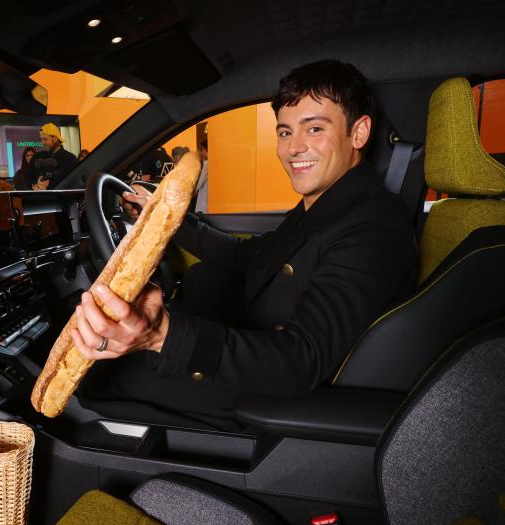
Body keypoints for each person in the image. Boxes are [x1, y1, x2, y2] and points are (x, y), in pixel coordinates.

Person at [70, 59, 417, 430]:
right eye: (285, 132)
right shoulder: (325, 206)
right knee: (204, 280)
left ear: (358, 132)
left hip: (271, 392)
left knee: (103, 374)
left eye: (314, 129)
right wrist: (167, 220)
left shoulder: (373, 228)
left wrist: (161, 336)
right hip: (252, 351)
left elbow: (301, 360)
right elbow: (247, 256)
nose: (294, 148)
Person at [25, 123, 79, 190]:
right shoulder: (37, 156)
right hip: (40, 196)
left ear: (55, 139)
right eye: (41, 139)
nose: (42, 143)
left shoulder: (70, 159)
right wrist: (35, 185)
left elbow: (75, 183)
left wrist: (49, 186)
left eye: (45, 139)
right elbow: (27, 179)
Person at [195, 138, 208, 213]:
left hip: (204, 198)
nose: (201, 152)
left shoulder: (207, 164)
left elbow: (200, 182)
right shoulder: (209, 162)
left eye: (202, 150)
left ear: (206, 150)